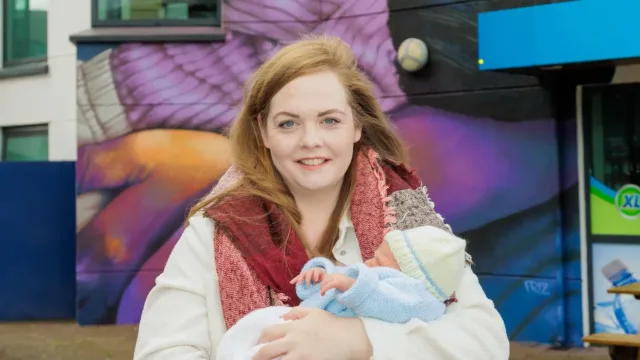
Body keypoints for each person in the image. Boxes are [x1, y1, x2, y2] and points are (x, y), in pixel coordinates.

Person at [133, 34, 510, 360]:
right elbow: (162, 351)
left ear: (357, 127)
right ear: (262, 132)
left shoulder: (407, 215)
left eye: (330, 120)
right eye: (288, 123)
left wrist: (358, 340)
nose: (310, 140)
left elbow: (486, 341)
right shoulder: (214, 231)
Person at [215, 225, 468, 360]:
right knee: (260, 321)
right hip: (306, 321)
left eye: (379, 262)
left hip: (332, 347)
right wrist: (320, 274)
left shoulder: (416, 297)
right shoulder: (374, 277)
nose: (369, 263)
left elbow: (391, 303)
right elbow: (333, 288)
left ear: (412, 274)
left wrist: (353, 286)